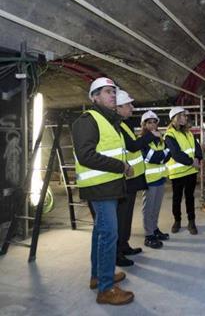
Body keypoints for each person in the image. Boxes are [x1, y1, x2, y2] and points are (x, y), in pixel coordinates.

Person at [72, 77, 134, 305]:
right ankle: (106, 289)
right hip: (99, 189)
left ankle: (98, 276)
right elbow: (86, 155)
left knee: (101, 233)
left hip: (109, 186)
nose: (112, 95)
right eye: (107, 92)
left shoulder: (109, 121)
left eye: (113, 92)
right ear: (95, 97)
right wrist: (122, 167)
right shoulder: (88, 120)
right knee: (109, 234)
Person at [115, 90, 159, 267]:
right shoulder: (117, 125)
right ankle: (117, 252)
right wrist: (150, 136)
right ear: (118, 107)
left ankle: (124, 245)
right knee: (120, 218)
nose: (132, 107)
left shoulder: (123, 124)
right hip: (124, 178)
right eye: (128, 105)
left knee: (126, 217)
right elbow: (132, 147)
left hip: (132, 178)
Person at [164, 106, 203, 235]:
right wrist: (192, 162)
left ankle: (191, 222)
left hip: (191, 171)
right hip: (178, 173)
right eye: (182, 116)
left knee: (190, 198)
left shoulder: (188, 132)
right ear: (174, 118)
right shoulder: (169, 135)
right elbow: (176, 153)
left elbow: (196, 147)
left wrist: (198, 158)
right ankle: (177, 221)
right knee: (177, 199)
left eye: (185, 116)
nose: (185, 118)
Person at [140, 110, 171, 248]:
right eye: (149, 122)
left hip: (160, 179)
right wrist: (162, 155)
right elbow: (152, 157)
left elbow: (168, 154)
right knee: (148, 208)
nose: (152, 125)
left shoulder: (160, 139)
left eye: (154, 122)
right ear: (144, 125)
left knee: (156, 207)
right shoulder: (143, 140)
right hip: (149, 180)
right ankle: (149, 235)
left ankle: (155, 229)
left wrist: (161, 155)